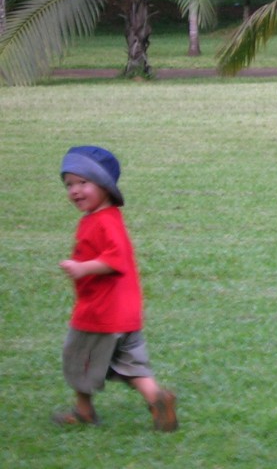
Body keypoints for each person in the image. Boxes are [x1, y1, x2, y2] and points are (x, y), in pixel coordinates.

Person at [52, 145, 178, 431]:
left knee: (79, 359)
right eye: (69, 184)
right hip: (125, 313)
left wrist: (83, 268)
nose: (74, 191)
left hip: (100, 313)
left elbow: (116, 258)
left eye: (83, 182)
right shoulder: (105, 219)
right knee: (130, 363)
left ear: (105, 186)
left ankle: (84, 411)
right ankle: (157, 399)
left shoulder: (104, 222)